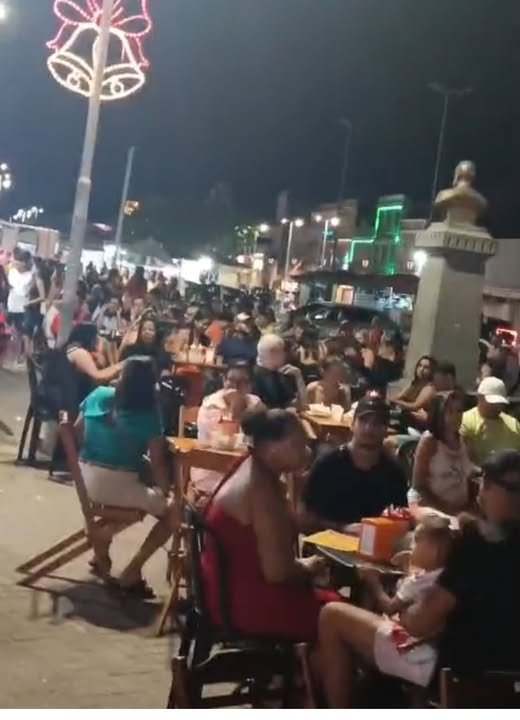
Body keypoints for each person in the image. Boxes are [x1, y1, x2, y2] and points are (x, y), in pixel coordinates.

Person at [202, 408, 335, 641]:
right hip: (247, 605)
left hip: (221, 591)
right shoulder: (264, 489)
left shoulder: (247, 463)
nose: (306, 451)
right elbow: (278, 572)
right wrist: (309, 567)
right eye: (297, 444)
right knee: (340, 616)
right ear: (272, 449)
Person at [318, 515, 455, 706]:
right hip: (434, 650)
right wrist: (409, 562)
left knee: (331, 614)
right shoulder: (443, 575)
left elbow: (389, 607)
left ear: (433, 551)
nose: (412, 547)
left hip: (416, 652)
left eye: (416, 542)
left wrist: (373, 582)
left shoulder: (418, 583)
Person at [76, 357, 175, 597]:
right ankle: (132, 571)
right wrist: (165, 493)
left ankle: (100, 553)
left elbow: (77, 431)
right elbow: (159, 464)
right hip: (119, 487)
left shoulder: (98, 394)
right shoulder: (149, 413)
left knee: (130, 494)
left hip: (85, 481)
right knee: (173, 512)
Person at [301, 395, 407, 530]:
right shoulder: (328, 464)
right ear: (352, 424)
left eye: (377, 423)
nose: (369, 428)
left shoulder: (393, 471)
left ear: (386, 429)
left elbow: (401, 517)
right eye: (363, 421)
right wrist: (343, 528)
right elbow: (306, 519)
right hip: (330, 540)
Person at [190, 364, 264, 508]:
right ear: (224, 381)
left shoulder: (255, 403)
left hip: (245, 471)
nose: (236, 386)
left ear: (250, 386)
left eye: (242, 381)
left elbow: (264, 436)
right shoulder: (211, 404)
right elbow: (222, 442)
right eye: (231, 380)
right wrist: (236, 410)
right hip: (212, 469)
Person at [410, 391, 475, 517]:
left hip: (460, 509)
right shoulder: (430, 442)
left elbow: (471, 474)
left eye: (459, 411)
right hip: (429, 506)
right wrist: (447, 510)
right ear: (439, 414)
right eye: (450, 412)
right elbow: (419, 486)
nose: (456, 416)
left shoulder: (466, 440)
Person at [461, 376, 520, 465]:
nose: (496, 406)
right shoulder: (465, 421)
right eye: (492, 403)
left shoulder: (514, 424)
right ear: (480, 398)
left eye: (499, 403)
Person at [66, 323, 123, 410]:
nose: (97, 341)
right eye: (96, 338)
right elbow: (97, 377)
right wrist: (121, 365)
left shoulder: (75, 349)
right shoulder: (79, 352)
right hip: (73, 401)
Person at [253, 333, 305, 409]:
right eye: (281, 352)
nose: (284, 356)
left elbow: (302, 404)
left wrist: (298, 377)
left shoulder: (284, 373)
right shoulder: (252, 377)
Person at [392, 355, 437, 430]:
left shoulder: (429, 388)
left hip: (418, 427)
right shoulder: (413, 384)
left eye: (426, 367)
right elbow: (398, 397)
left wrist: (397, 402)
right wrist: (395, 401)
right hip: (406, 421)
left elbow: (415, 406)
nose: (421, 369)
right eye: (420, 366)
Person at [7, 250, 33, 364]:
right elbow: (12, 285)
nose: (15, 264)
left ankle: (19, 357)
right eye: (15, 261)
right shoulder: (12, 272)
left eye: (18, 262)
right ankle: (8, 356)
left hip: (22, 309)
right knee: (7, 331)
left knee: (20, 334)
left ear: (25, 263)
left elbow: (23, 291)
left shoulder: (30, 275)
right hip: (10, 306)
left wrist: (16, 288)